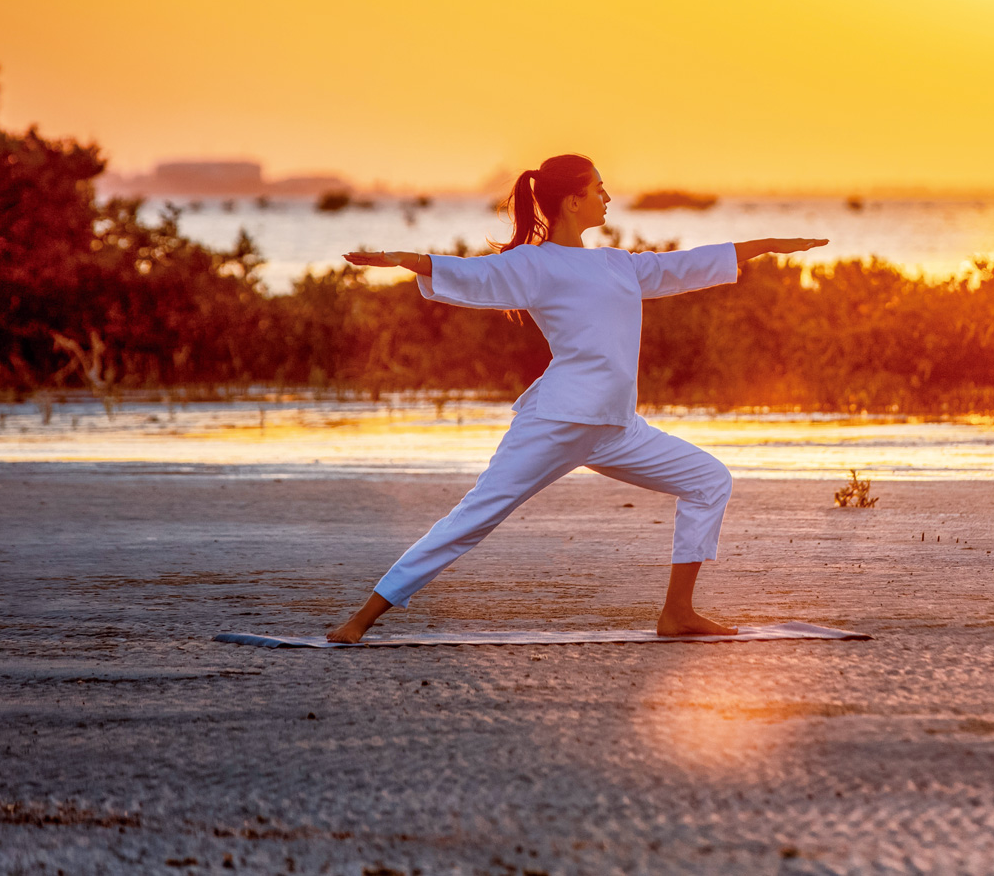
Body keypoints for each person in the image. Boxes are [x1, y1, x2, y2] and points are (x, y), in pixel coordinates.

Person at [322, 154, 824, 643]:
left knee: (708, 480)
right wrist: (401, 259)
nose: (607, 197)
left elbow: (687, 265)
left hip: (615, 428)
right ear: (571, 201)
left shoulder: (617, 265)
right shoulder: (534, 264)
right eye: (598, 188)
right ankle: (363, 618)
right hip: (556, 422)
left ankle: (677, 612)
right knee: (475, 516)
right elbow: (469, 274)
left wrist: (768, 244)